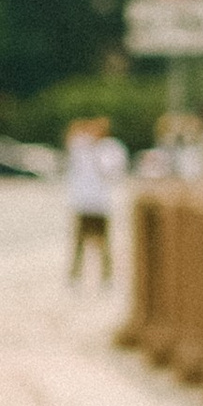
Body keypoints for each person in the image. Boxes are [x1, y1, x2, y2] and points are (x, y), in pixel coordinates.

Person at [62, 117, 127, 284]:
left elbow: (112, 171)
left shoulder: (110, 149)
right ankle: (75, 276)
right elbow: (70, 140)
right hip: (82, 201)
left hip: (100, 203)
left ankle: (106, 276)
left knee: (103, 242)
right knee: (79, 242)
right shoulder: (81, 147)